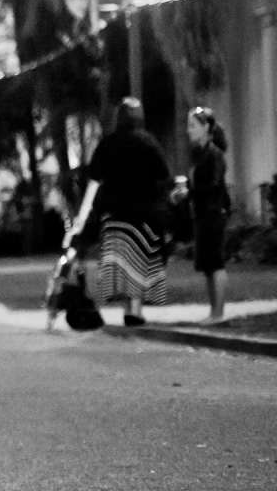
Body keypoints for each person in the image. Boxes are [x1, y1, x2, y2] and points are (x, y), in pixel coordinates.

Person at [73, 97, 175, 329]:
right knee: (140, 261)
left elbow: (95, 176)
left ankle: (128, 309)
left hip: (115, 214)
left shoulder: (108, 144)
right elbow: (164, 175)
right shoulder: (149, 143)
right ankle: (135, 310)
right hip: (144, 214)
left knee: (122, 263)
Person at [185, 107, 233, 323]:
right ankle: (213, 311)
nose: (189, 131)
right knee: (207, 265)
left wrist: (190, 191)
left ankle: (218, 313)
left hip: (214, 214)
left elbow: (212, 186)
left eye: (193, 126)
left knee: (215, 263)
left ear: (206, 127)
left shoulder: (214, 154)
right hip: (203, 214)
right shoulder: (200, 154)